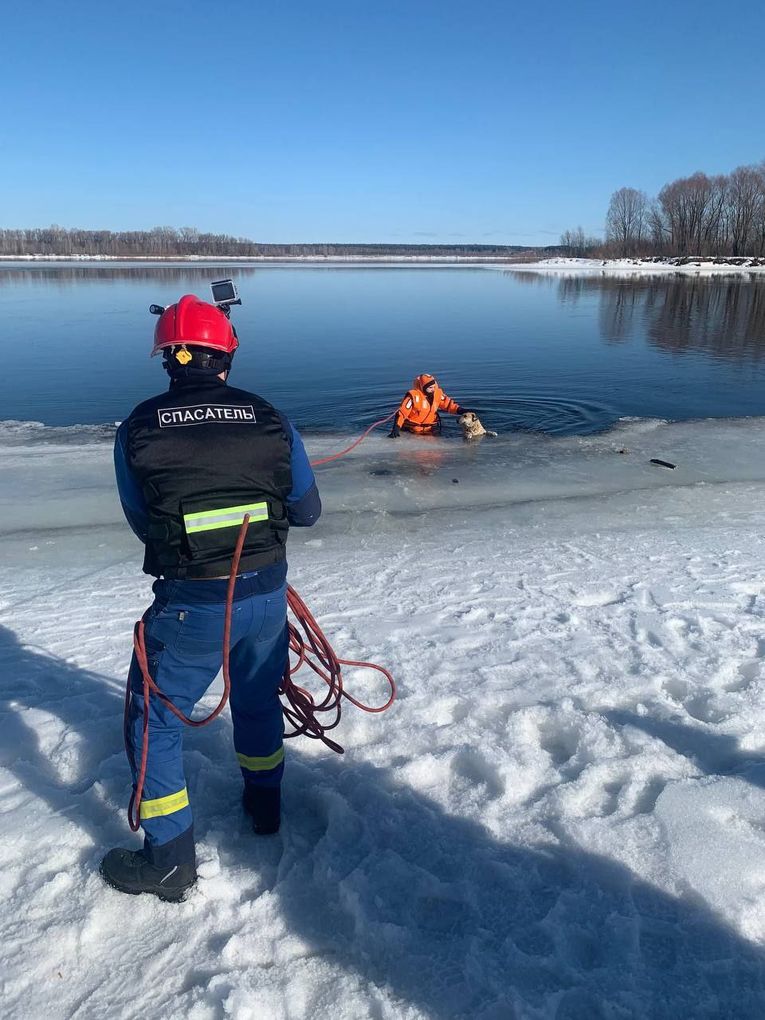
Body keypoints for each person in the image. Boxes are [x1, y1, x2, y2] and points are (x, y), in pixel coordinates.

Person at [101, 294, 321, 901]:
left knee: (154, 722)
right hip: (266, 599)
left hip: (192, 605)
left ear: (168, 359)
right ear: (225, 355)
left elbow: (144, 522)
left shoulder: (138, 429)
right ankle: (265, 808)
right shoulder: (271, 419)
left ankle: (170, 862)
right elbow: (306, 511)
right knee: (256, 701)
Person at [388, 373, 470, 437]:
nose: (433, 390)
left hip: (430, 429)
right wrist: (396, 428)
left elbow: (448, 405)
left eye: (434, 387)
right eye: (430, 388)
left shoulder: (437, 394)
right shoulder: (413, 397)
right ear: (423, 387)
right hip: (412, 430)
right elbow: (402, 413)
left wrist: (461, 410)